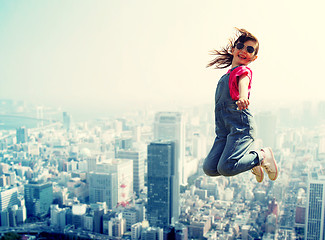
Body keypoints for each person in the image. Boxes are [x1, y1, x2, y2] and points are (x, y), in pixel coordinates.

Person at [202, 28, 278, 183]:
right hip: (223, 131)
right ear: (233, 49)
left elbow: (244, 83)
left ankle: (261, 156)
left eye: (249, 50)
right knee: (210, 168)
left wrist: (243, 97)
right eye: (241, 46)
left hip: (240, 127)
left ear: (253, 57)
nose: (244, 51)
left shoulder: (243, 71)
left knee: (226, 168)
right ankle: (249, 160)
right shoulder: (226, 76)